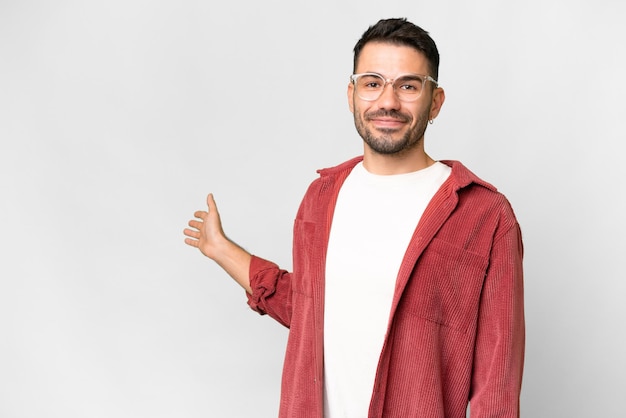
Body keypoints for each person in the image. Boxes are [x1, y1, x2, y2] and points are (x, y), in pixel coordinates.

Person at [184, 17, 524, 418]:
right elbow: (313, 313)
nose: (388, 102)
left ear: (435, 101)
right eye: (373, 82)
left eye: (409, 86)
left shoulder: (484, 215)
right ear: (352, 94)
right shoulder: (320, 197)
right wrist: (223, 251)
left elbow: (496, 381)